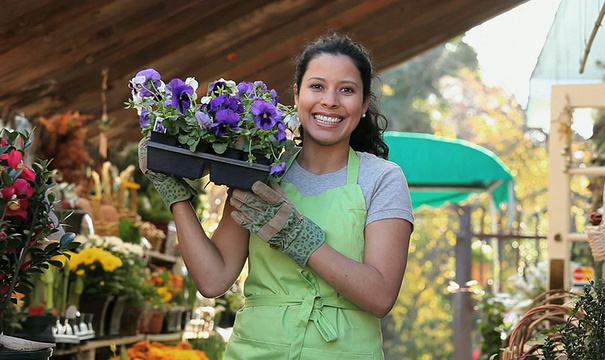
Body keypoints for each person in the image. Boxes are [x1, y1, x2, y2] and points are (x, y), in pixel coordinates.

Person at [138, 33, 414, 359]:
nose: (330, 101)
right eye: (317, 86)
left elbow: (381, 296)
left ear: (364, 104)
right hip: (255, 350)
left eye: (347, 90)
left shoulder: (381, 178)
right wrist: (176, 197)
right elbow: (213, 280)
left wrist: (297, 237)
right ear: (297, 95)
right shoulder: (261, 169)